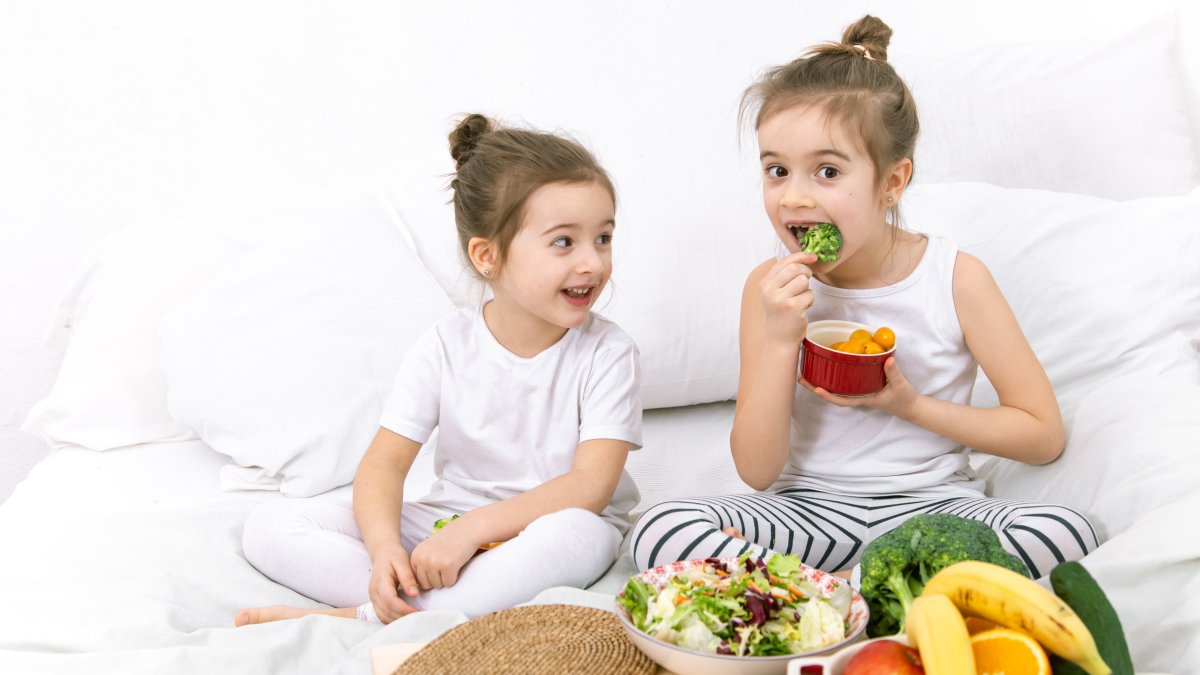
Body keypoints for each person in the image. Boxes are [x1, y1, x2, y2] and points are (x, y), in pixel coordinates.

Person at [630, 16, 1097, 581]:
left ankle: (815, 596)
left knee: (1069, 532)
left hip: (935, 506)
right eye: (777, 170)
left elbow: (1042, 436)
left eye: (827, 171)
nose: (794, 196)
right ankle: (877, 591)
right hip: (806, 512)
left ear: (891, 182)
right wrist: (781, 340)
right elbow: (756, 471)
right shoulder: (767, 289)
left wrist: (910, 406)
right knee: (660, 528)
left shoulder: (956, 279)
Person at [236, 114, 642, 625]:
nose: (593, 263)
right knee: (269, 526)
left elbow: (590, 486)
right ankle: (402, 592)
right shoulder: (445, 345)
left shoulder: (608, 353)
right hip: (444, 526)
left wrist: (473, 533)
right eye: (565, 242)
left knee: (578, 535)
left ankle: (360, 615)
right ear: (487, 255)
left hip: (547, 527)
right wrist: (386, 550)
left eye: (603, 237)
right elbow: (383, 466)